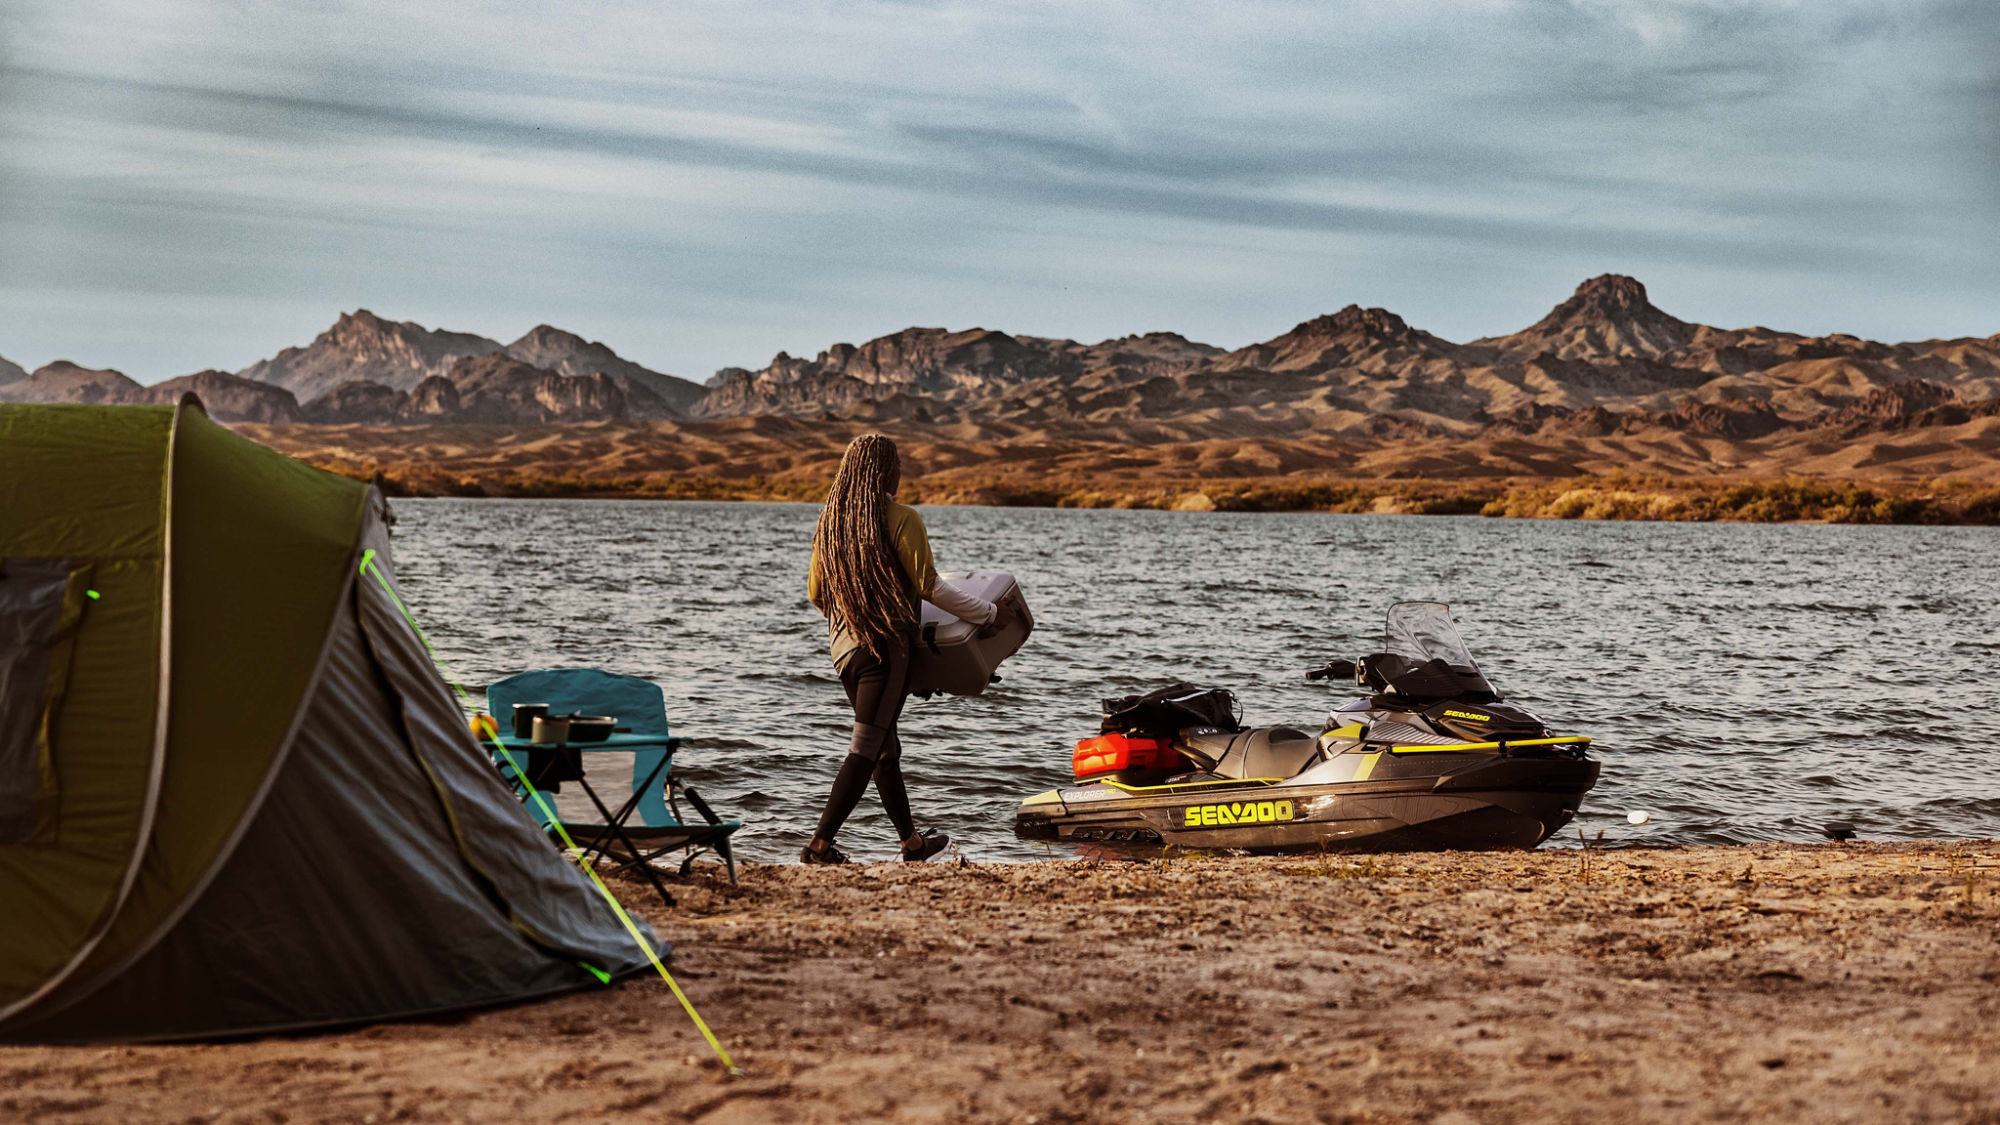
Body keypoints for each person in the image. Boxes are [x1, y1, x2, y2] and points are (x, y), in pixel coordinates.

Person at [802, 433, 1016, 864]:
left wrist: (855, 612)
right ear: (885, 471)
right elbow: (929, 587)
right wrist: (991, 614)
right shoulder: (902, 518)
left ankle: (912, 844)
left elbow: (816, 593)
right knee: (866, 748)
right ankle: (818, 846)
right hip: (884, 648)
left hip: (844, 652)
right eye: (895, 464)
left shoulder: (829, 525)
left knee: (884, 747)